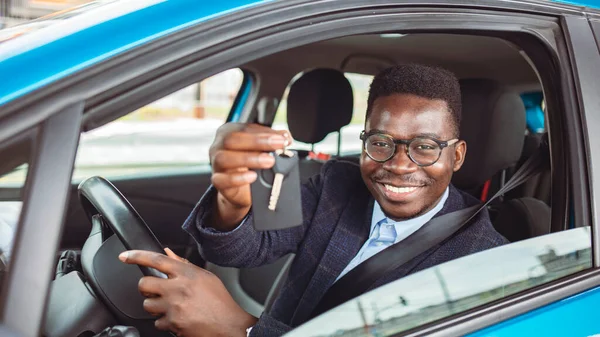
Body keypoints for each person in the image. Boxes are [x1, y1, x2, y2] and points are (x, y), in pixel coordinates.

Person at [119, 64, 508, 336]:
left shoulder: (487, 261)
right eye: (380, 143)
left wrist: (244, 329)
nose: (399, 164)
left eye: (425, 147)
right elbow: (244, 250)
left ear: (456, 155)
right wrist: (233, 203)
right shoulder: (336, 183)